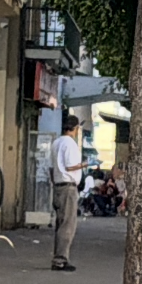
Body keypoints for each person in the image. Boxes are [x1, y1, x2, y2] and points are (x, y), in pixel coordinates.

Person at [48, 113, 87, 272]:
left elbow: (51, 168)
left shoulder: (56, 143)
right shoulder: (70, 144)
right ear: (75, 128)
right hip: (68, 186)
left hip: (57, 185)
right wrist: (83, 165)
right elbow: (71, 166)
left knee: (60, 223)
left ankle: (58, 256)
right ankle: (61, 259)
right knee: (68, 224)